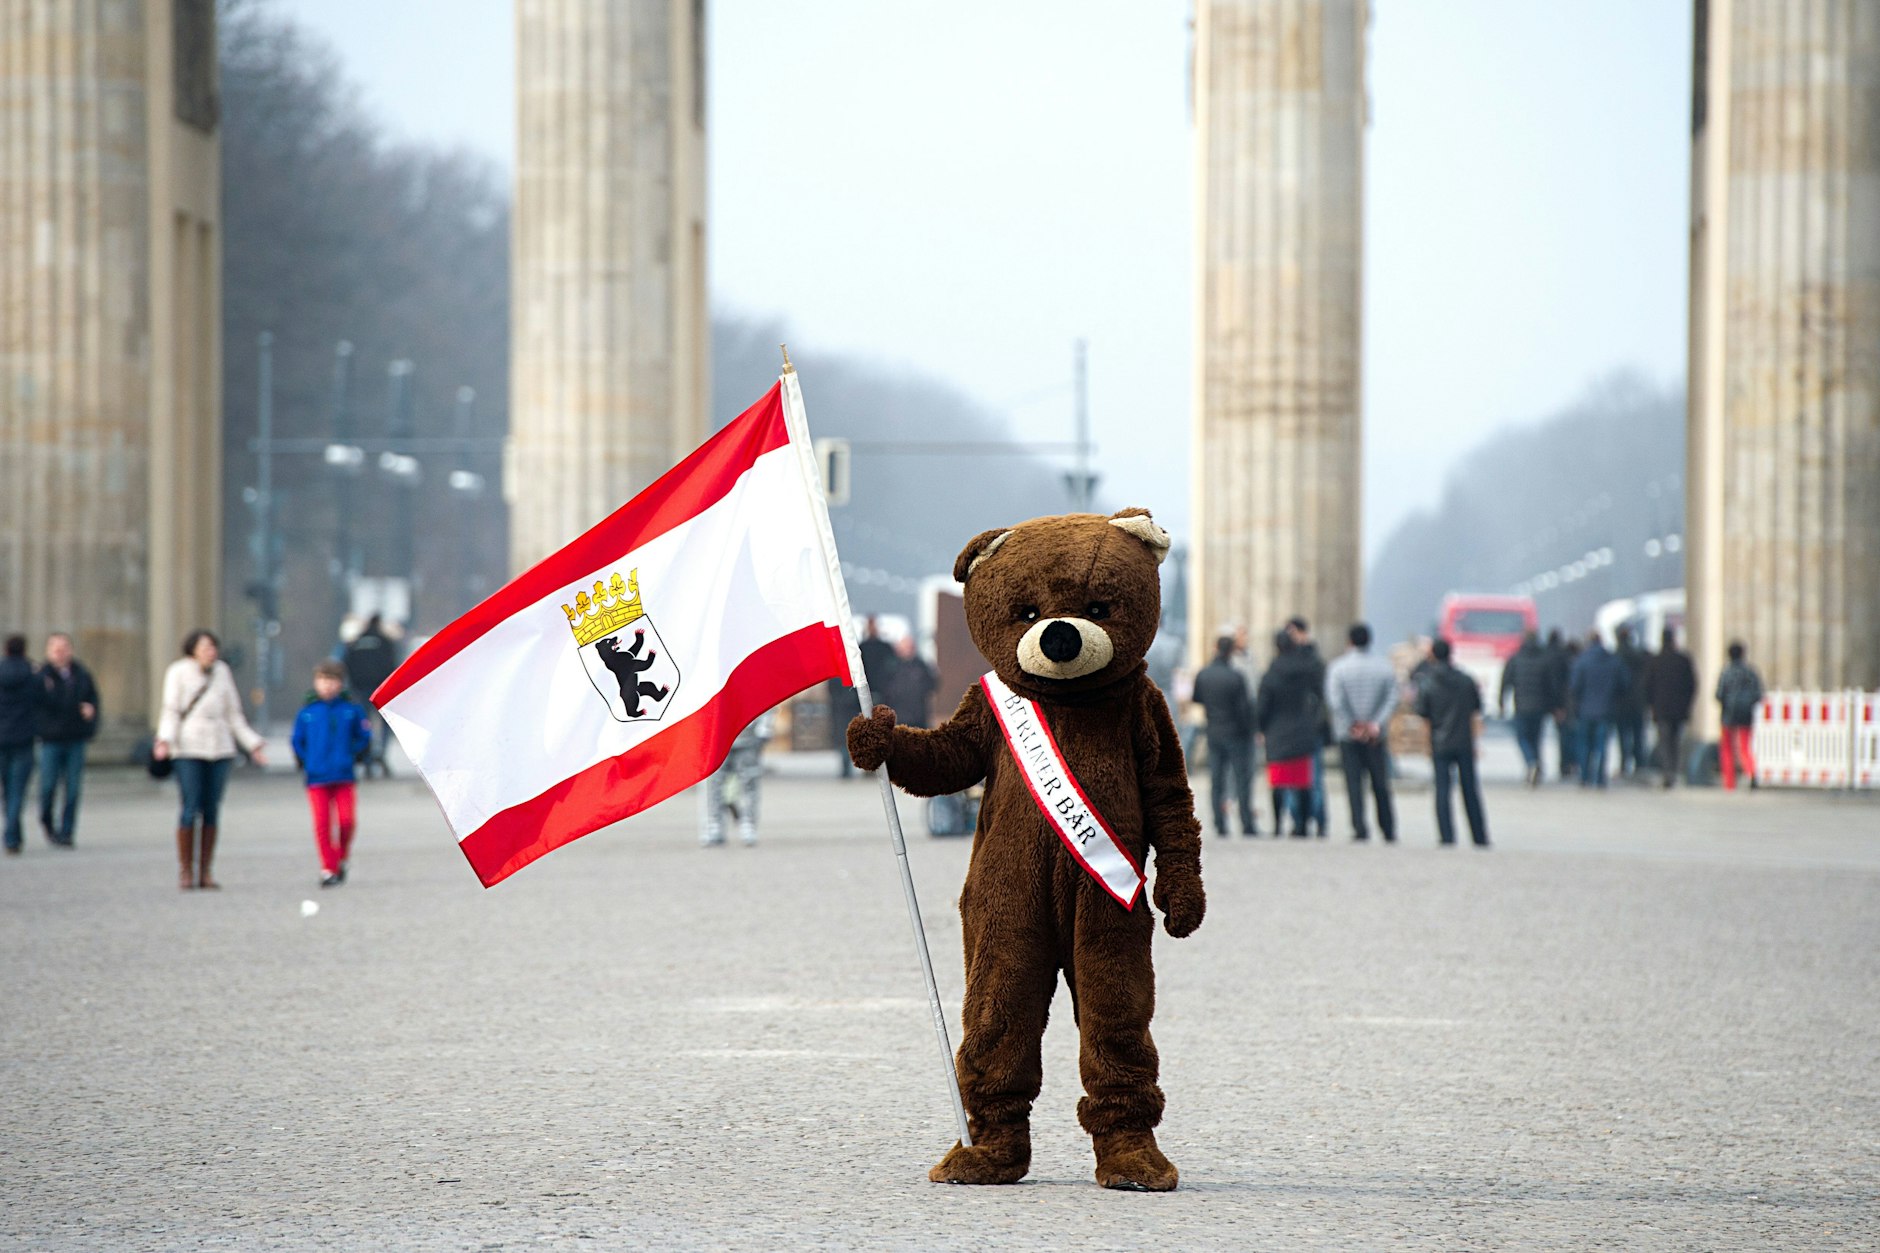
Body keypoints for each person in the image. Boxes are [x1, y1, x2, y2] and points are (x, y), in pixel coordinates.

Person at [154, 630, 267, 889]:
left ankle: (205, 870)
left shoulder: (222, 672)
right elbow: (171, 710)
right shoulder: (178, 672)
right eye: (205, 647)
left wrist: (252, 744)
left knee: (212, 808)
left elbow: (233, 714)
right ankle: (185, 869)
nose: (211, 652)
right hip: (188, 746)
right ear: (192, 650)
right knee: (190, 805)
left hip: (219, 747)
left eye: (213, 647)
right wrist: (165, 740)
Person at [291, 660, 372, 887]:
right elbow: (298, 741)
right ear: (316, 683)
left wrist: (353, 755)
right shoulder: (307, 712)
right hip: (316, 777)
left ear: (340, 684)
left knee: (347, 821)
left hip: (344, 775)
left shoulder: (351, 710)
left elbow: (363, 736)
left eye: (332, 681)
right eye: (323, 680)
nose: (327, 686)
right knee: (322, 824)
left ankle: (342, 855)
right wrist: (306, 761)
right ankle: (328, 867)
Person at [1325, 622, 1398, 843]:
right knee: (1380, 784)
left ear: (1349, 641)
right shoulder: (1384, 667)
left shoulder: (1338, 667)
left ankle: (1359, 827)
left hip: (1349, 735)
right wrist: (1375, 723)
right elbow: (1392, 697)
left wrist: (1353, 724)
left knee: (1354, 784)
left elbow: (1335, 701)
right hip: (1376, 735)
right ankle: (1388, 828)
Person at [1413, 639, 1489, 848]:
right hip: (1463, 741)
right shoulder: (1466, 680)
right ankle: (1479, 835)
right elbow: (1475, 712)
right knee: (1470, 790)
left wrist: (1427, 744)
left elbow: (1423, 716)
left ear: (1433, 656)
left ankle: (1447, 835)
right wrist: (1475, 741)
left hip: (1440, 742)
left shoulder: (1428, 683)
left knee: (1442, 790)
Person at [33, 633, 98, 848]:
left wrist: (90, 714)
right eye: (55, 649)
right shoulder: (41, 676)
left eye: (64, 648)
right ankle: (47, 821)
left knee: (72, 788)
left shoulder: (81, 674)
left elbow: (93, 700)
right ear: (48, 652)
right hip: (50, 739)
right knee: (48, 786)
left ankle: (67, 831)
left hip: (74, 738)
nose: (60, 653)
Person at [1256, 630, 1321, 837]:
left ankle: (1277, 825)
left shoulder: (1270, 674)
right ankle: (1303, 825)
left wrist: (1261, 728)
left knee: (1278, 783)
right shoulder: (1306, 671)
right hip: (1302, 728)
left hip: (1277, 731)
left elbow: (1262, 707)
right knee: (1302, 782)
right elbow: (1319, 694)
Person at [1192, 635, 1256, 836]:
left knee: (1216, 780)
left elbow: (1197, 698)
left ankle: (1220, 823)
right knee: (1241, 779)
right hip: (1235, 733)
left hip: (1214, 731)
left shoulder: (1203, 674)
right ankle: (1246, 823)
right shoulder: (1236, 676)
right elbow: (1244, 709)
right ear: (1231, 652)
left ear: (1215, 648)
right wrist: (1250, 731)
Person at [1285, 616, 1330, 836]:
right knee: (1295, 777)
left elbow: (1323, 697)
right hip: (1296, 728)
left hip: (1310, 728)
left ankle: (1319, 819)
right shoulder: (1296, 661)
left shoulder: (1313, 661)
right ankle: (1299, 820)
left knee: (1315, 777)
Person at [702, 710, 774, 846]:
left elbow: (765, 697)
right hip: (719, 736)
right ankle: (714, 824)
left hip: (749, 737)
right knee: (715, 783)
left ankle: (748, 824)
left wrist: (765, 726)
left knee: (749, 783)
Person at [342, 614, 401, 778]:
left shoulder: (355, 642)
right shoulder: (386, 642)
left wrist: (354, 685)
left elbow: (347, 664)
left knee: (364, 723)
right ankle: (381, 753)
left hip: (361, 689)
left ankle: (367, 757)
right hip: (381, 689)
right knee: (385, 723)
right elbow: (392, 665)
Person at [1568, 631, 1629, 788]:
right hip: (1606, 710)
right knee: (1601, 745)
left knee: (1584, 744)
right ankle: (1600, 777)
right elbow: (1624, 684)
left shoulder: (1582, 661)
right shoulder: (1614, 661)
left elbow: (1574, 686)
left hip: (1585, 710)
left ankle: (1584, 776)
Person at [1499, 629, 1555, 787]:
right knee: (1536, 738)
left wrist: (1501, 702)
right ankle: (1537, 765)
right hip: (1540, 707)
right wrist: (1554, 705)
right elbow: (1550, 685)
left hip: (1521, 706)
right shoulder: (1544, 660)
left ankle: (1531, 763)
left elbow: (1506, 682)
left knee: (1522, 738)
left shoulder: (1515, 659)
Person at [1643, 626, 1697, 788]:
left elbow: (1647, 686)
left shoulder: (1656, 661)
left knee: (1665, 742)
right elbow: (1692, 685)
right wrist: (1688, 704)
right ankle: (1674, 769)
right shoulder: (1683, 660)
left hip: (1661, 709)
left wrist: (1650, 704)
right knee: (1676, 741)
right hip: (1679, 709)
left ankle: (1668, 772)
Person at [0, 635, 38, 856]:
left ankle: (11, 833)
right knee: (17, 791)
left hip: (2, 738)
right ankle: (12, 834)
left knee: (7, 790)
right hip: (24, 739)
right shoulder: (32, 674)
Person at [1715, 641, 1764, 791]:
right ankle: (1751, 771)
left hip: (1728, 714)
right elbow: (1758, 693)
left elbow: (1719, 694)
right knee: (1744, 747)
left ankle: (1729, 782)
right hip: (1745, 714)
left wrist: (1726, 702)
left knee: (1727, 748)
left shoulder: (1726, 672)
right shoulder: (1750, 672)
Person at [1614, 625, 1650, 777]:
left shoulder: (1616, 656)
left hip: (1621, 702)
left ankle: (1624, 764)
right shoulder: (1641, 655)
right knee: (1638, 735)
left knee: (1623, 735)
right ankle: (1640, 763)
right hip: (1638, 701)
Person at [881, 636, 939, 730]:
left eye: (908, 647)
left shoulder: (921, 665)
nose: (906, 650)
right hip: (898, 716)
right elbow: (884, 687)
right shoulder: (891, 667)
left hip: (918, 716)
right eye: (904, 647)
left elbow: (932, 684)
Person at [1544, 630, 1577, 780]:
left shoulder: (1545, 655)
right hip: (1567, 703)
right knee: (1568, 734)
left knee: (1563, 734)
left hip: (1552, 702)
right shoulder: (1564, 658)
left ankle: (1564, 764)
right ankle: (1569, 764)